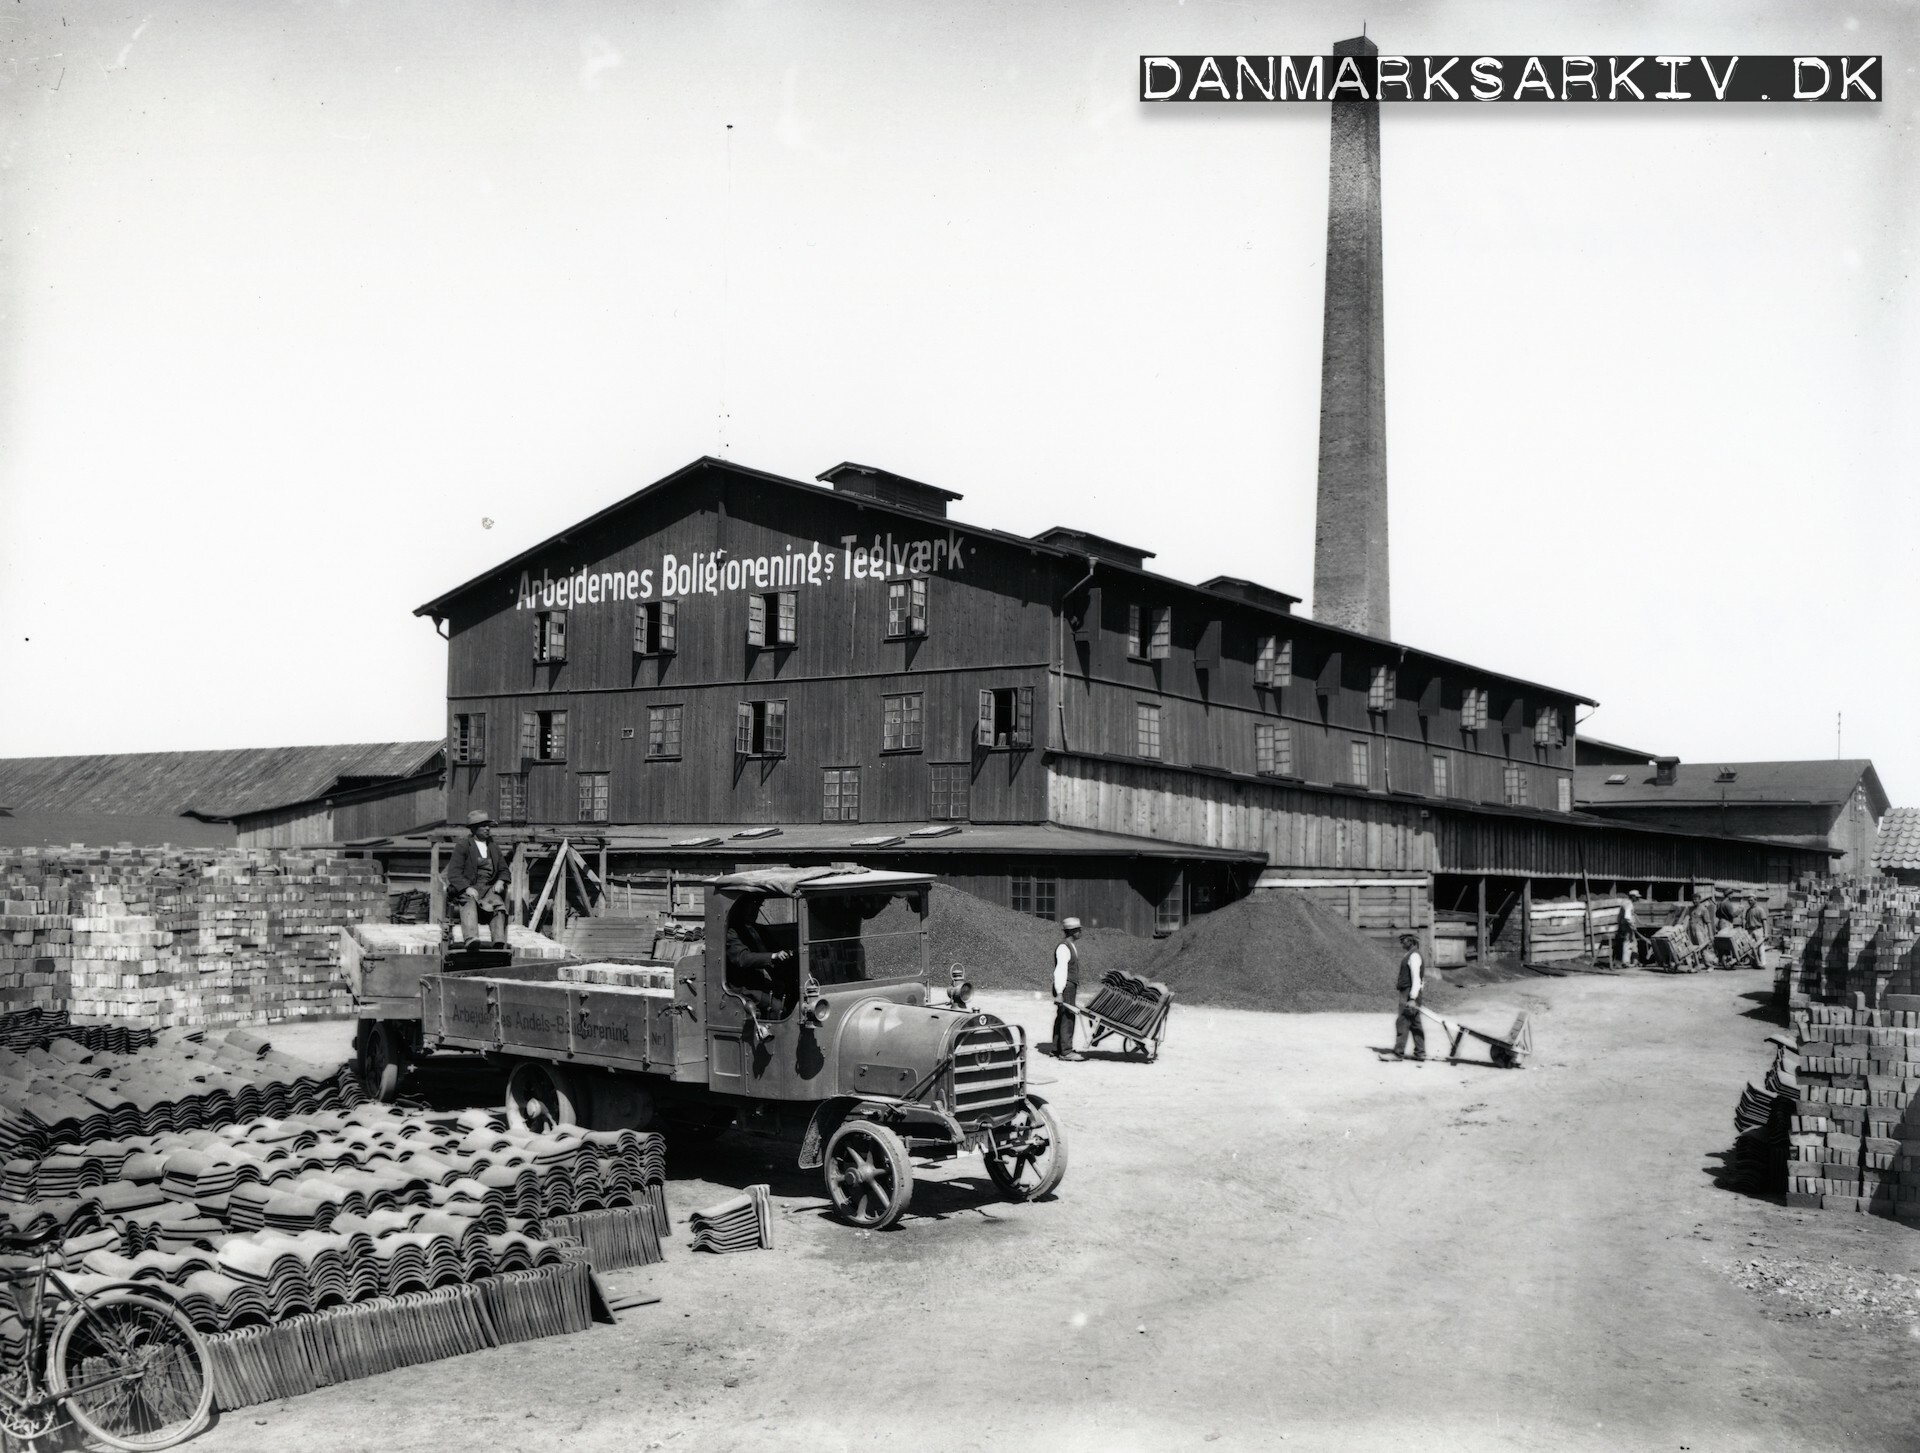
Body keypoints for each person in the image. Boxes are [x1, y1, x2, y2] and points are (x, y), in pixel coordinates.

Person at [725, 897, 795, 1026]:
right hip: (746, 987)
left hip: (766, 981)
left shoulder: (760, 929)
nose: (753, 911)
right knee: (778, 1007)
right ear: (741, 909)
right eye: (750, 907)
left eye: (756, 907)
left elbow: (776, 949)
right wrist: (773, 956)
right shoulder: (732, 932)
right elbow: (743, 958)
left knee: (796, 995)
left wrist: (786, 952)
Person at [444, 809, 507, 945]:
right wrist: (466, 888)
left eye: (488, 826)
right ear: (473, 828)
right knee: (469, 900)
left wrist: (501, 881)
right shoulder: (463, 846)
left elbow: (504, 869)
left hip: (488, 887)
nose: (487, 829)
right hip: (469, 886)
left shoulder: (494, 847)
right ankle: (471, 938)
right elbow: (454, 873)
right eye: (483, 826)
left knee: (497, 903)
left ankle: (499, 940)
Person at [1052, 917, 1084, 1061]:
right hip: (1066, 986)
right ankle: (1066, 1052)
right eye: (1078, 930)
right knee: (1068, 1017)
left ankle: (1057, 1048)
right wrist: (1059, 992)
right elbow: (1060, 971)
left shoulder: (1070, 945)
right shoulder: (1064, 947)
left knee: (1062, 1016)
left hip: (1068, 985)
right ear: (1072, 931)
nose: (1080, 932)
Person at [1393, 932, 1426, 1062]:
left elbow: (1417, 978)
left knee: (1402, 1021)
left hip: (1409, 994)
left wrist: (1412, 998)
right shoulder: (1410, 955)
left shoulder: (1414, 956)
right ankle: (1420, 1053)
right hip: (1412, 993)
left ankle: (1398, 1053)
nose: (1401, 944)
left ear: (1411, 941)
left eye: (1403, 941)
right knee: (1415, 1024)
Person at [1617, 891, 1640, 966]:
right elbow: (1627, 917)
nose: (1637, 898)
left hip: (1625, 925)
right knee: (1628, 943)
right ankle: (1626, 962)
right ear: (1632, 896)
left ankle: (1635, 961)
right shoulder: (1628, 904)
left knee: (1633, 942)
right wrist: (1632, 925)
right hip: (1627, 926)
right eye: (1636, 897)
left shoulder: (1625, 902)